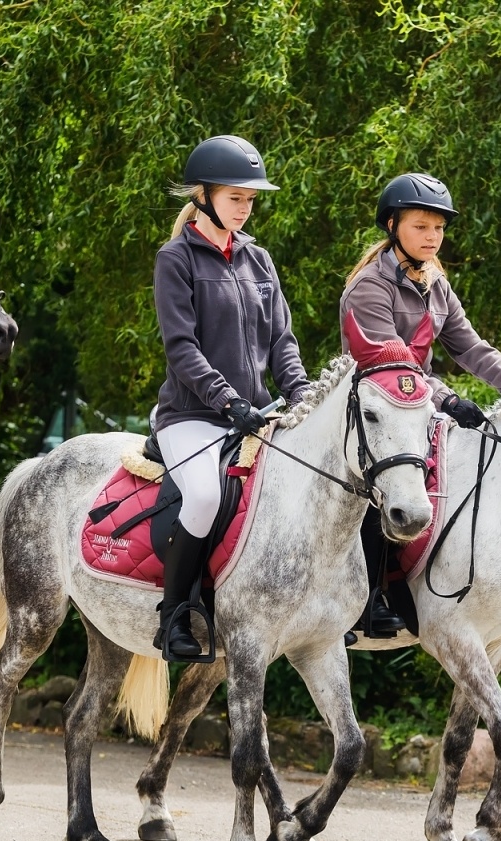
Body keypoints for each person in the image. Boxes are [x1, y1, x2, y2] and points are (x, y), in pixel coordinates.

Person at [340, 173, 501, 637]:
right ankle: (368, 596)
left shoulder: (435, 283)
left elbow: (471, 348)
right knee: (389, 479)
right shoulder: (369, 288)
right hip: (376, 409)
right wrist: (449, 400)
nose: (432, 237)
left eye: (439, 228)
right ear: (392, 226)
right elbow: (397, 370)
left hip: (420, 406)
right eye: (421, 227)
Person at [152, 135, 310, 661]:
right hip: (193, 416)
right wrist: (227, 401)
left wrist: (301, 393)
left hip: (257, 416)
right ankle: (175, 616)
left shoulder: (259, 260)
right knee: (203, 497)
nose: (244, 208)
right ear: (204, 197)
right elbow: (182, 348)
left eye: (250, 199)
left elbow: (282, 342)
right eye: (235, 197)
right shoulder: (175, 259)